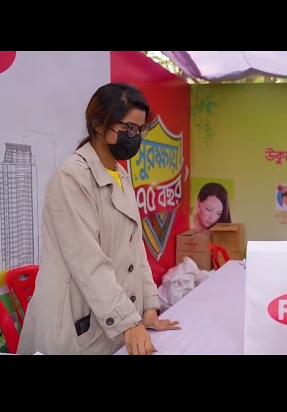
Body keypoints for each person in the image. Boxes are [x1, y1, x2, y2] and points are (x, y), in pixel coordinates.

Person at [17, 82, 181, 355]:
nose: (135, 137)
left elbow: (135, 248)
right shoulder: (72, 177)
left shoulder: (121, 175)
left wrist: (148, 307)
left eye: (140, 130)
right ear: (98, 124)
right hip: (74, 323)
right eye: (129, 128)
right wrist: (128, 321)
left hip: (110, 320)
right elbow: (88, 261)